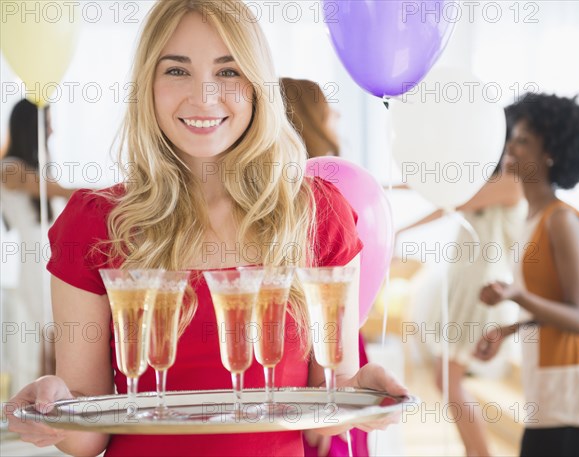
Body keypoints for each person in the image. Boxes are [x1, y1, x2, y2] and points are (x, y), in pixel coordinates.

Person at [4, 2, 408, 456]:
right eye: (177, 71)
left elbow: (326, 412)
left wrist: (362, 392)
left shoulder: (317, 213)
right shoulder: (94, 223)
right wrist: (56, 405)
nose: (204, 95)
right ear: (146, 86)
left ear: (257, 85)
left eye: (229, 71)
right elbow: (87, 437)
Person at [475, 93, 579, 457]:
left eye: (524, 139)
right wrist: (507, 329)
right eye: (514, 135)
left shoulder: (560, 220)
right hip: (545, 382)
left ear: (550, 154)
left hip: (569, 385)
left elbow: (578, 319)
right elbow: (551, 308)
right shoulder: (532, 217)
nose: (511, 144)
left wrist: (515, 296)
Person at [395, 135, 525, 456]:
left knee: (448, 382)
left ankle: (478, 453)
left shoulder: (513, 183)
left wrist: (400, 228)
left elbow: (451, 199)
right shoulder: (488, 182)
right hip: (465, 292)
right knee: (447, 381)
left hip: (485, 296)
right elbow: (446, 192)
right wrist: (393, 188)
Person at [280, 77, 369, 457]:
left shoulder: (331, 192)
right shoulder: (304, 199)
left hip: (339, 330)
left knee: (332, 427)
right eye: (328, 112)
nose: (337, 118)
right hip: (307, 335)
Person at [1, 99, 75, 389]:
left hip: (49, 255)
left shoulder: (33, 169)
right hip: (34, 260)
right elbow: (59, 191)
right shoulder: (10, 169)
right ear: (30, 127)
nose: (53, 130)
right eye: (47, 123)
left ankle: (56, 402)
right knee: (47, 333)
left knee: (56, 334)